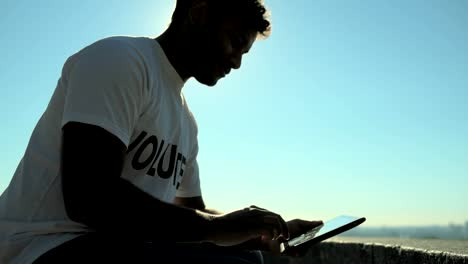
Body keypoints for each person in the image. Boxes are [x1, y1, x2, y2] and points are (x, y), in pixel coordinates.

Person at [0, 0, 322, 263]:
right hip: (41, 247)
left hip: (119, 246)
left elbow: (194, 219)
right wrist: (220, 227)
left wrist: (264, 234)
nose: (237, 62)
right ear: (198, 12)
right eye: (235, 43)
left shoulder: (186, 123)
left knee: (250, 260)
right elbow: (90, 197)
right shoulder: (120, 61)